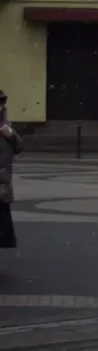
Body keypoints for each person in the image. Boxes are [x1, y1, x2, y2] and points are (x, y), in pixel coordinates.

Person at [0, 89, 22, 250]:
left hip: (2, 186)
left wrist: (11, 135)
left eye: (1, 105)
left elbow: (20, 147)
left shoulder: (5, 127)